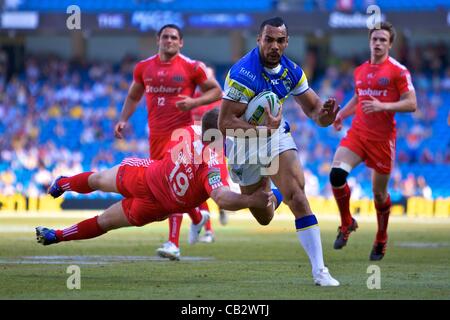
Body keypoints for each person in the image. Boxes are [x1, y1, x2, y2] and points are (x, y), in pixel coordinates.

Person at [37, 109, 273, 250]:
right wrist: (252, 200)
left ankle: (62, 187)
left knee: (99, 185)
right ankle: (56, 232)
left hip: (146, 178)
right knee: (103, 220)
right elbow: (221, 197)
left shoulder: (190, 130)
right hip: (153, 199)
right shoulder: (213, 163)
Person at [218, 17, 340, 286]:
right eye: (269, 39)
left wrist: (325, 117)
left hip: (275, 137)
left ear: (287, 42)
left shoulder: (292, 71)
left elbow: (313, 109)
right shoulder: (243, 74)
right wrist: (263, 131)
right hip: (242, 145)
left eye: (280, 40)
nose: (274, 45)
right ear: (259, 40)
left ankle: (320, 271)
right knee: (264, 214)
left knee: (298, 195)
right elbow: (224, 124)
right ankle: (274, 194)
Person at [114, 24, 223, 259]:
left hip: (181, 135)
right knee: (165, 188)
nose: (169, 40)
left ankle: (173, 243)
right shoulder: (144, 68)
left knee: (170, 187)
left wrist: (194, 103)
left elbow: (217, 92)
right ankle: (197, 216)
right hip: (156, 136)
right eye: (165, 37)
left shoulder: (192, 67)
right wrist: (123, 119)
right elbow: (134, 95)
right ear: (158, 39)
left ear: (181, 42)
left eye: (174, 37)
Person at [329, 21, 417, 260]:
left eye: (382, 40)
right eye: (374, 39)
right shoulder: (360, 70)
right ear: (370, 42)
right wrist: (341, 114)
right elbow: (359, 98)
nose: (378, 43)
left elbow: (412, 103)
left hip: (382, 140)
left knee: (379, 195)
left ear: (390, 44)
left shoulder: (398, 71)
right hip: (358, 134)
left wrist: (383, 106)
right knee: (336, 175)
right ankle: (346, 223)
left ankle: (381, 238)